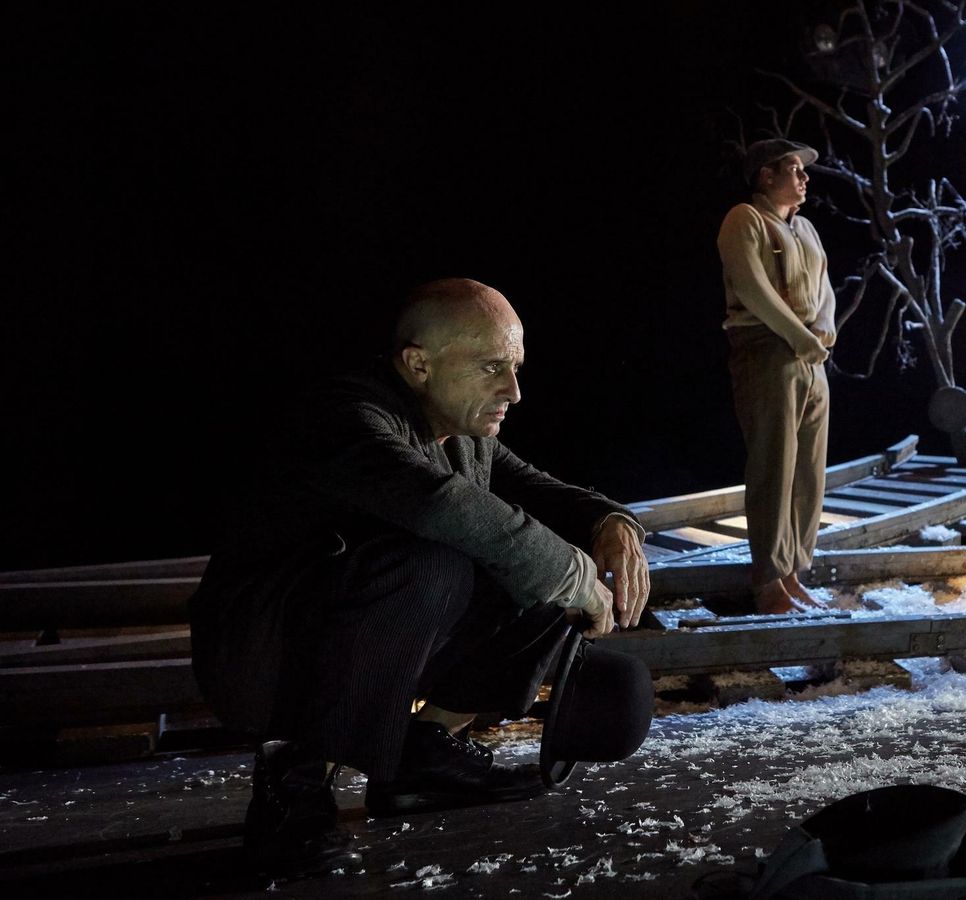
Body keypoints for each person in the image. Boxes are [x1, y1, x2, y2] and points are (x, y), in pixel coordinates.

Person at [189, 278, 654, 874]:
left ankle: (424, 755)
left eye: (514, 368)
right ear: (418, 364)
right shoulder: (345, 417)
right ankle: (296, 781)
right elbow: (438, 504)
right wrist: (570, 572)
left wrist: (612, 524)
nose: (513, 390)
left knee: (536, 567)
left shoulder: (462, 431)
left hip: (358, 631)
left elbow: (538, 490)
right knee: (440, 561)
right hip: (265, 653)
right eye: (491, 368)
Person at [717, 138, 837, 615]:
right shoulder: (744, 220)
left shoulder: (805, 228)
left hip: (811, 355)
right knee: (774, 463)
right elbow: (753, 286)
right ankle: (767, 579)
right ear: (766, 176)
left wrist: (823, 331)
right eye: (793, 169)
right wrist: (798, 336)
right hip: (766, 350)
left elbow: (825, 289)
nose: (804, 177)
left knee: (809, 469)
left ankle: (792, 574)